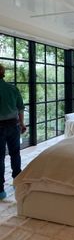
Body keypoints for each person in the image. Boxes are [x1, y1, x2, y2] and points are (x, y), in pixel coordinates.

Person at [0, 64, 26, 200]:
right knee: (15, 153)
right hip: (13, 125)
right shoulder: (12, 88)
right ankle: (17, 180)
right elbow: (20, 108)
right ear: (3, 73)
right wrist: (22, 123)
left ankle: (0, 190)